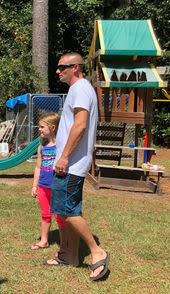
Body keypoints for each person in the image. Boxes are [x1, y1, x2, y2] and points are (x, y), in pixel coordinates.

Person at [44, 52, 110, 281]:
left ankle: (96, 251)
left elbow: (80, 126)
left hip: (71, 164)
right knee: (65, 209)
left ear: (76, 68)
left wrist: (63, 158)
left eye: (62, 67)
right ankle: (70, 256)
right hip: (70, 163)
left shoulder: (80, 88)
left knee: (68, 211)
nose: (58, 70)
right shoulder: (78, 89)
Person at [30, 113, 68, 251]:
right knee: (45, 214)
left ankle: (64, 245)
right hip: (42, 187)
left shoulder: (62, 147)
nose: (39, 129)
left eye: (42, 127)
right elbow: (38, 167)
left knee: (59, 216)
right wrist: (35, 185)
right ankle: (44, 241)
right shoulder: (41, 148)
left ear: (52, 127)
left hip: (57, 187)